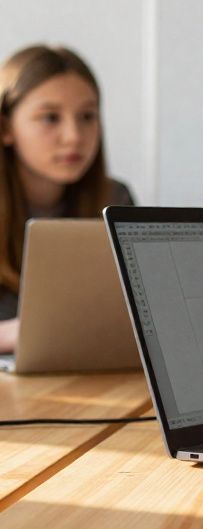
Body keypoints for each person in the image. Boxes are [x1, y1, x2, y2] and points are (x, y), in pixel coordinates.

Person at [0, 44, 135, 353]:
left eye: (87, 116)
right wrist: (11, 334)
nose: (74, 135)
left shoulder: (115, 198)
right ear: (6, 128)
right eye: (50, 118)